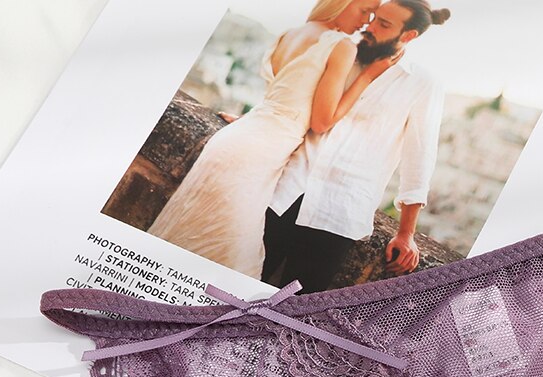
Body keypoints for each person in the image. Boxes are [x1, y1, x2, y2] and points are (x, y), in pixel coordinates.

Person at [147, 0, 402, 279]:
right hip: (260, 154)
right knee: (226, 254)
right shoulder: (341, 46)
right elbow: (322, 122)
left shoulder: (291, 34)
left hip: (236, 138)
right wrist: (367, 77)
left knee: (191, 231)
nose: (367, 21)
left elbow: (285, 94)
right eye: (365, 10)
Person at [261, 0, 450, 291]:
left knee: (296, 306)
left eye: (384, 24)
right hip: (285, 191)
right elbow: (300, 104)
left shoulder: (422, 83)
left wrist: (406, 233)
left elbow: (420, 156)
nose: (370, 27)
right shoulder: (343, 55)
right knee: (238, 282)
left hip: (338, 212)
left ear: (408, 35)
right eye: (374, 17)